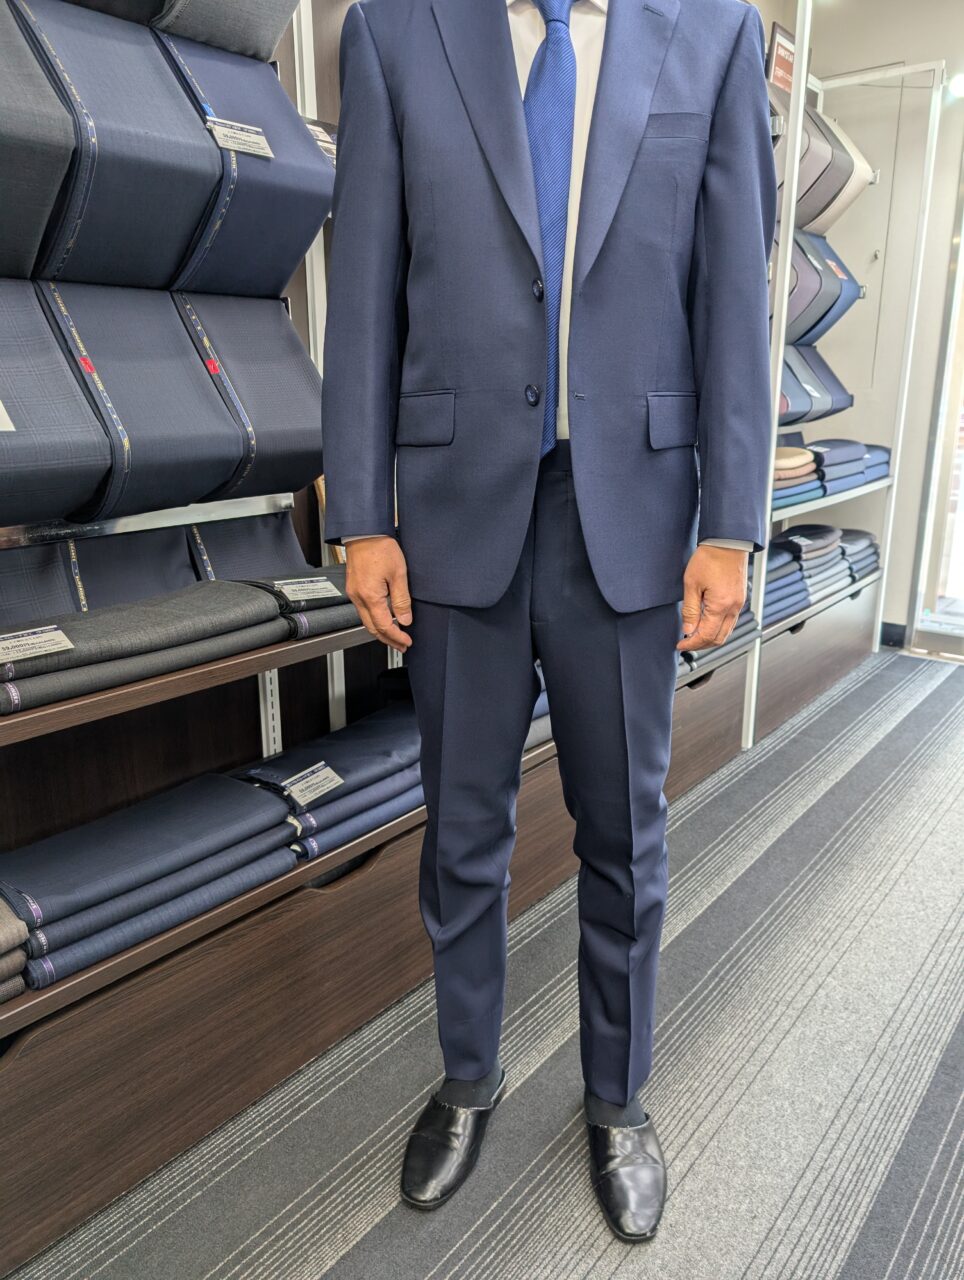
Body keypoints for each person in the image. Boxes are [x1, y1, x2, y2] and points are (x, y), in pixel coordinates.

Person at [322, 0, 776, 1243]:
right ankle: (468, 1074)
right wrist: (361, 514)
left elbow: (733, 287)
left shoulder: (714, 32)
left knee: (625, 830)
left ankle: (617, 1097)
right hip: (453, 509)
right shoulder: (397, 30)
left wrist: (731, 523)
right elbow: (362, 286)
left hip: (625, 510)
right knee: (461, 829)